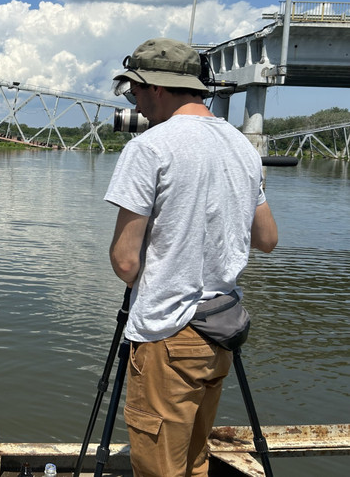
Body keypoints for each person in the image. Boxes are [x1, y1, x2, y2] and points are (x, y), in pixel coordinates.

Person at [104, 38, 278, 477]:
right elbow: (267, 238)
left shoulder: (148, 148)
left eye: (134, 92)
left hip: (169, 333)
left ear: (157, 89)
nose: (136, 104)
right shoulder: (242, 147)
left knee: (159, 466)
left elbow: (125, 262)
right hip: (221, 328)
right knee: (193, 461)